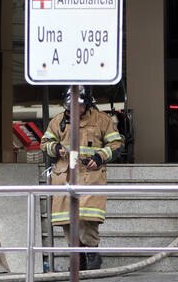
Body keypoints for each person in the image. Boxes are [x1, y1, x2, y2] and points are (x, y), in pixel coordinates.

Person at [41, 87, 125, 270]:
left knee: (88, 217)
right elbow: (45, 142)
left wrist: (99, 157)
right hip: (65, 175)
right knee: (67, 219)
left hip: (90, 174)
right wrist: (55, 148)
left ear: (86, 103)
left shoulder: (102, 120)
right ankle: (77, 257)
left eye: (78, 104)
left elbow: (116, 144)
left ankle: (92, 254)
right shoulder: (57, 121)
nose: (74, 108)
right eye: (70, 104)